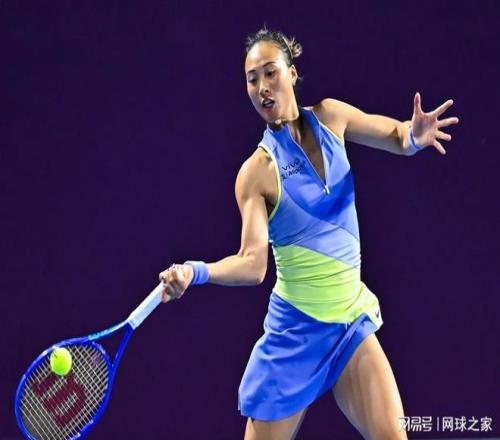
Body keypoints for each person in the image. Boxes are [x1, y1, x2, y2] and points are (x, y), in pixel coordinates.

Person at [158, 28, 459, 440]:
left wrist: (414, 136)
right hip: (295, 337)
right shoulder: (256, 173)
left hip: (349, 324)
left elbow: (396, 136)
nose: (262, 87)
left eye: (270, 72)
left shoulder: (332, 117)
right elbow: (252, 263)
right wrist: (196, 271)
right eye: (252, 79)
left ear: (292, 73)